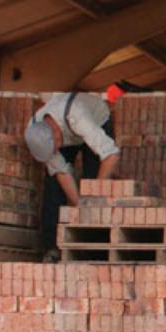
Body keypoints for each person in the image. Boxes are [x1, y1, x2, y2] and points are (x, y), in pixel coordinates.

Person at [24, 92, 121, 254]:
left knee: (91, 181)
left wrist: (94, 192)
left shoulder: (77, 115)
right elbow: (62, 172)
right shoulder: (36, 132)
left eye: (55, 148)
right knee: (53, 186)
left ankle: (94, 250)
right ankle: (52, 248)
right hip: (66, 132)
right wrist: (79, 205)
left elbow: (111, 155)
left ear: (55, 133)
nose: (55, 153)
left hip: (96, 119)